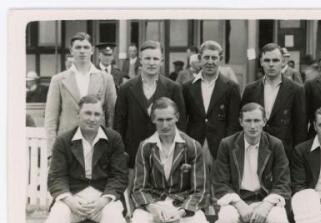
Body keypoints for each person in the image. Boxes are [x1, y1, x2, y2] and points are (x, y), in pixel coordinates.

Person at [41, 95, 128, 223]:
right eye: (87, 113)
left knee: (116, 221)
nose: (92, 118)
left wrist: (104, 200)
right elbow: (56, 177)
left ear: (103, 116)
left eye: (97, 113)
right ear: (78, 114)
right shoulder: (64, 140)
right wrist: (69, 200)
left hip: (103, 195)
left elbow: (119, 176)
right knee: (54, 222)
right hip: (72, 196)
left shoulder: (113, 138)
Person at [126, 97, 214, 223]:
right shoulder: (145, 147)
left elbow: (200, 189)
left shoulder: (192, 146)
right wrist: (152, 208)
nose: (164, 125)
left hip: (182, 206)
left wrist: (181, 211)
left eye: (169, 119)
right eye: (160, 120)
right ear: (153, 120)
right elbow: (138, 187)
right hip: (154, 204)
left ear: (177, 118)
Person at [211, 103, 292, 223]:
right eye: (248, 121)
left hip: (266, 199)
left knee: (280, 221)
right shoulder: (227, 144)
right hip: (236, 199)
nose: (253, 126)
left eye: (257, 120)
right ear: (241, 122)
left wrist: (266, 205)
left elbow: (283, 183)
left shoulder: (275, 144)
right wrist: (239, 204)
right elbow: (220, 183)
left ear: (264, 122)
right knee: (225, 220)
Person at [240, 43, 308, 223]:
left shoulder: (296, 89)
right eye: (267, 60)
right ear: (261, 62)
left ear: (284, 62)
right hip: (255, 149)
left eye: (275, 60)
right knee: (253, 195)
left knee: (282, 203)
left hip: (284, 152)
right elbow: (246, 120)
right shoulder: (250, 89)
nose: (271, 65)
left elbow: (300, 126)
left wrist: (296, 156)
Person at [114, 40, 186, 172]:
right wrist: (121, 153)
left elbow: (180, 124)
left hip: (165, 155)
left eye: (155, 58)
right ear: (140, 60)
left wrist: (177, 152)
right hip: (133, 156)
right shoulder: (126, 88)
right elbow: (119, 124)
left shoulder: (173, 88)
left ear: (162, 60)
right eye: (147, 58)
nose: (151, 62)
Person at [45, 32, 116, 154]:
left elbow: (112, 115)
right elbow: (51, 119)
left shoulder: (106, 79)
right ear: (71, 51)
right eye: (78, 47)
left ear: (92, 50)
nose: (82, 51)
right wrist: (52, 152)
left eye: (86, 47)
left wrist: (110, 147)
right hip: (67, 146)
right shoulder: (59, 80)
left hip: (98, 145)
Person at [183, 40, 241, 167]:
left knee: (218, 185)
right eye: (206, 57)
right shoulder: (187, 87)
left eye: (214, 58)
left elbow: (234, 124)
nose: (210, 62)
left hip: (220, 147)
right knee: (196, 184)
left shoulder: (231, 88)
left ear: (220, 59)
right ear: (199, 58)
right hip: (195, 145)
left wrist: (228, 149)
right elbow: (183, 120)